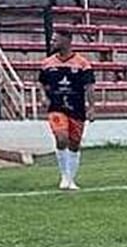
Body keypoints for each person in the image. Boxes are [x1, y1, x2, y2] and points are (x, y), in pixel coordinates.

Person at [39, 29, 96, 190]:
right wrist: (43, 97)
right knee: (61, 138)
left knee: (74, 144)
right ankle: (64, 176)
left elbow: (89, 86)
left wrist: (92, 107)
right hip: (56, 107)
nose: (52, 43)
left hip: (76, 108)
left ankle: (71, 178)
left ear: (67, 40)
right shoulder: (47, 63)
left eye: (55, 40)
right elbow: (42, 82)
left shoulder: (82, 63)